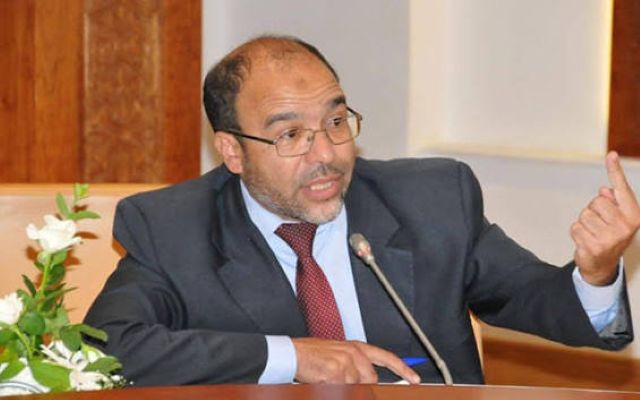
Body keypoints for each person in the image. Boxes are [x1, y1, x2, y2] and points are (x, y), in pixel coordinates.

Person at [85, 35, 639, 386]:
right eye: (290, 135)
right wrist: (291, 358)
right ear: (232, 151)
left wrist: (595, 273)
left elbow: (530, 297)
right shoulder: (172, 228)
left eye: (335, 121)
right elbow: (104, 349)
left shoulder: (433, 199)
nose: (326, 155)